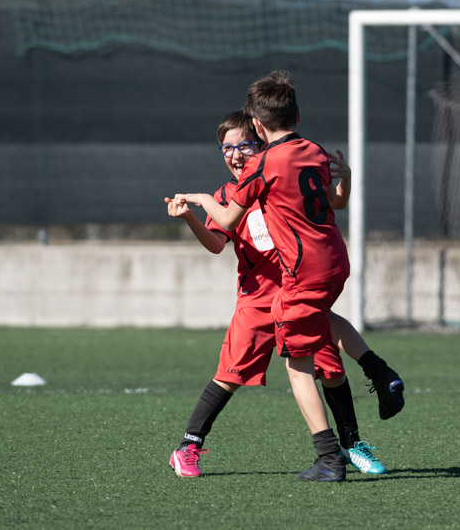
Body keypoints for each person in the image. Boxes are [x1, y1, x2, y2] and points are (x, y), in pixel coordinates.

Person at [173, 71, 404, 481]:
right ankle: (188, 446)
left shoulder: (268, 174)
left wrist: (201, 199)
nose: (236, 154)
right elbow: (217, 240)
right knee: (230, 374)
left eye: (244, 145)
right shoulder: (247, 184)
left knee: (328, 367)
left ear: (260, 136)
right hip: (263, 297)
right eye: (227, 147)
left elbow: (323, 204)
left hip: (296, 285)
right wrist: (193, 215)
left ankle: (346, 447)